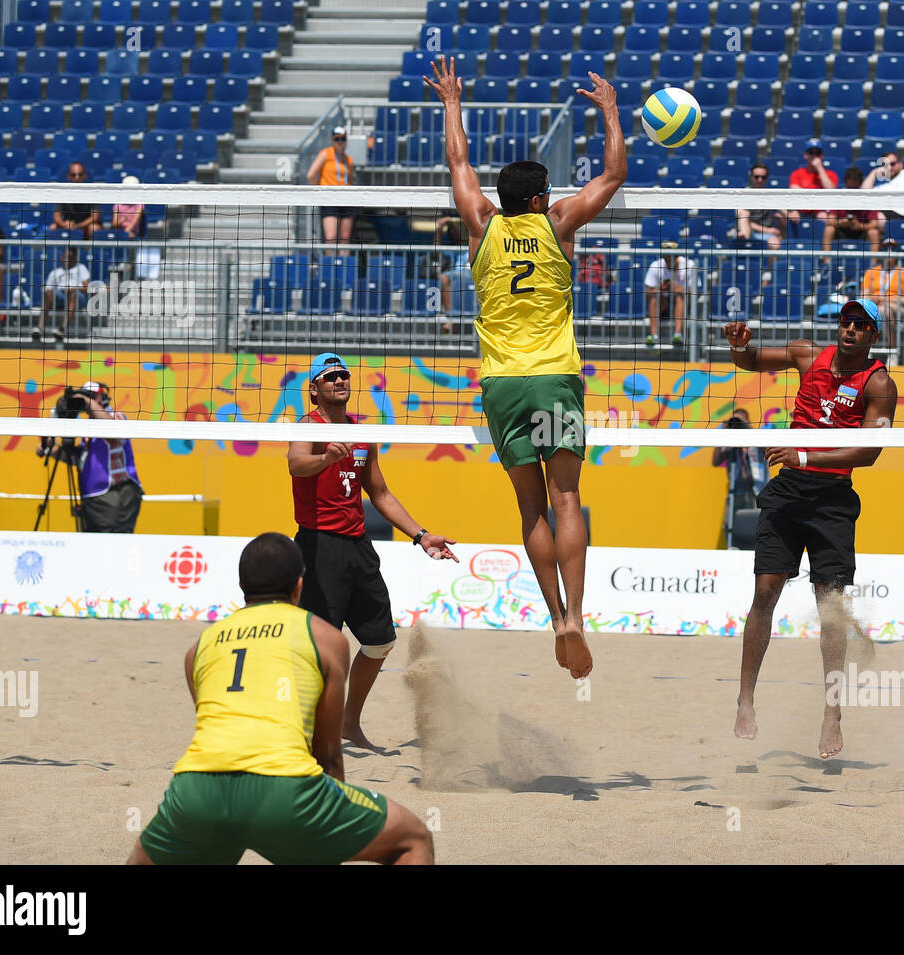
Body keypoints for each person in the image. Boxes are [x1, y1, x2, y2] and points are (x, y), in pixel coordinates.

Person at [423, 56, 624, 680]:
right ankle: (578, 617)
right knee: (569, 500)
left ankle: (553, 615)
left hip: (503, 383)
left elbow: (459, 163)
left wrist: (452, 104)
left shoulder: (482, 224)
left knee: (530, 507)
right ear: (539, 198)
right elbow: (614, 172)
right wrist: (611, 111)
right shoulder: (559, 222)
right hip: (553, 376)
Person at [128, 532, 434, 864]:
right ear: (299, 586)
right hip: (285, 790)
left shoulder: (198, 648)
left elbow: (215, 727)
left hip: (196, 790)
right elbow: (328, 753)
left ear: (241, 584)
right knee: (413, 838)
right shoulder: (325, 638)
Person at [722, 298, 898, 758]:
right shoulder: (806, 354)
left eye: (862, 325)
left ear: (874, 335)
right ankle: (745, 699)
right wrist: (740, 348)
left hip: (833, 496)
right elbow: (752, 362)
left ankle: (831, 714)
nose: (851, 329)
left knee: (830, 609)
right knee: (765, 591)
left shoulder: (878, 382)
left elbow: (869, 452)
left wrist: (805, 455)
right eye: (847, 321)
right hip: (789, 489)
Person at [287, 352, 457, 748]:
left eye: (343, 374)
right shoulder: (306, 426)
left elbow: (379, 493)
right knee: (320, 646)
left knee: (380, 641)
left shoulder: (362, 432)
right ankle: (307, 727)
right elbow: (296, 464)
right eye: (329, 377)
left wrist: (422, 536)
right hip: (318, 546)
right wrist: (325, 456)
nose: (339, 380)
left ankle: (349, 721)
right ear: (314, 389)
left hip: (358, 548)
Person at [66, 381, 144, 533]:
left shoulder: (116, 417)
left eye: (92, 396)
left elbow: (111, 428)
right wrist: (52, 450)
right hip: (94, 498)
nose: (87, 401)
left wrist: (87, 401)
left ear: (102, 397)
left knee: (114, 545)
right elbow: (82, 460)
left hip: (116, 497)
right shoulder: (88, 427)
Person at [712, 408, 770, 545]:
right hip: (736, 493)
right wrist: (725, 430)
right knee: (732, 528)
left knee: (759, 528)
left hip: (757, 492)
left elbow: (768, 450)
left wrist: (745, 426)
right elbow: (715, 461)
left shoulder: (757, 441)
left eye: (741, 420)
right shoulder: (731, 442)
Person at [307, 125, 355, 251]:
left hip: (346, 199)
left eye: (343, 139)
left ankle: (344, 268)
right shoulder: (325, 154)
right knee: (331, 237)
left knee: (345, 238)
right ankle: (330, 269)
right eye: (337, 139)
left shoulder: (348, 159)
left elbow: (350, 180)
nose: (340, 142)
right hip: (330, 198)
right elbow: (311, 174)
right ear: (333, 140)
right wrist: (320, 189)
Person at [859, 238, 904, 350]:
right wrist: (875, 299)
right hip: (876, 306)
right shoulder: (871, 272)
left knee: (883, 310)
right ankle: (893, 349)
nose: (889, 251)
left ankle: (891, 348)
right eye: (886, 248)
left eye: (892, 249)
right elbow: (863, 296)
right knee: (882, 311)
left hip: (898, 306)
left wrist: (885, 299)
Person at [35, 246, 90, 342]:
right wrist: (51, 293)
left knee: (72, 294)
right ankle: (39, 328)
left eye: (70, 258)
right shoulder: (55, 272)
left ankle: (61, 329)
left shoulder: (81, 268)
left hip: (76, 296)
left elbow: (87, 288)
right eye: (65, 257)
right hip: (60, 295)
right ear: (61, 257)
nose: (67, 260)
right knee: (48, 294)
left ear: (75, 258)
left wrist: (72, 288)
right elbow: (48, 289)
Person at [822, 167, 883, 254]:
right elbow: (830, 220)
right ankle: (826, 262)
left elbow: (874, 223)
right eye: (849, 188)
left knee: (874, 232)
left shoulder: (867, 199)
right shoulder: (838, 198)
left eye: (854, 188)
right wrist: (842, 222)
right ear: (846, 184)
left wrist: (859, 225)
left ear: (859, 185)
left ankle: (873, 265)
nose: (852, 191)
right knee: (829, 229)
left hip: (861, 231)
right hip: (841, 230)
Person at [643, 240, 691, 348]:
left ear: (677, 255)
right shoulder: (656, 265)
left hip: (684, 305)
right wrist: (659, 289)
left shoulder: (689, 264)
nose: (668, 258)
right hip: (663, 305)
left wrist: (679, 289)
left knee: (679, 296)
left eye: (671, 255)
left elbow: (697, 292)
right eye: (666, 255)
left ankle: (678, 335)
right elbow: (647, 293)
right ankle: (654, 336)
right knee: (653, 296)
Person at [861, 151, 904, 219]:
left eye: (892, 164)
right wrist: (874, 172)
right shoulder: (880, 185)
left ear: (900, 164)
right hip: (890, 216)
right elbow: (863, 194)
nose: (889, 167)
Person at [787, 141, 838, 228]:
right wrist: (793, 210)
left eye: (817, 153)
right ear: (806, 155)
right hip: (801, 210)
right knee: (781, 216)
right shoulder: (797, 173)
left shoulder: (830, 174)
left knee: (825, 218)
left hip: (821, 211)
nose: (814, 156)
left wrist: (819, 168)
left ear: (822, 156)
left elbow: (831, 191)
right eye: (811, 153)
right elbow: (795, 192)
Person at [737, 163, 786, 249]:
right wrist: (767, 230)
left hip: (766, 235)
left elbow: (787, 214)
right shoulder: (743, 194)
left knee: (775, 243)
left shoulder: (770, 195)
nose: (760, 180)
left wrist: (786, 216)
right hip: (749, 231)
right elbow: (741, 218)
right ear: (751, 177)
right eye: (757, 177)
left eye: (763, 177)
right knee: (744, 214)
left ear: (767, 179)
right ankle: (746, 241)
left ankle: (772, 263)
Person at [50, 162, 102, 238]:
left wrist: (77, 226)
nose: (77, 178)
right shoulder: (62, 194)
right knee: (53, 227)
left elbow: (95, 217)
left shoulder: (93, 193)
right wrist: (64, 224)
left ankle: (90, 249)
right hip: (68, 226)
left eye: (80, 174)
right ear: (68, 176)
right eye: (73, 175)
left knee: (94, 228)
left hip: (86, 227)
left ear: (85, 175)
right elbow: (56, 217)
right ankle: (60, 250)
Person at [112, 174, 145, 239]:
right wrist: (122, 221)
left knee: (129, 236)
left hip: (132, 233)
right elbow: (114, 223)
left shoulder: (139, 205)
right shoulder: (118, 204)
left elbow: (134, 223)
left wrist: (125, 233)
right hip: (118, 233)